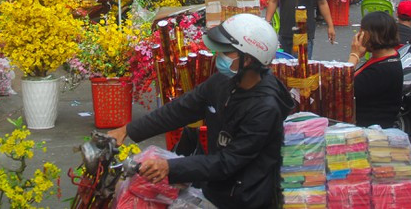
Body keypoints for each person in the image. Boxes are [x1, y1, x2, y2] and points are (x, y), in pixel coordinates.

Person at [107, 14, 294, 208]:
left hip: (245, 199)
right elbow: (180, 109)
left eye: (225, 51)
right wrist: (128, 130)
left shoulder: (265, 109)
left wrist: (170, 167)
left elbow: (227, 162)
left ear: (247, 60)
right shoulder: (223, 81)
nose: (218, 55)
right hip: (215, 188)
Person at [347, 11, 403, 128]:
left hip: (369, 131)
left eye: (362, 32)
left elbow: (343, 88)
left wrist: (354, 55)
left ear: (371, 35)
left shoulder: (383, 70)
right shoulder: (386, 58)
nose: (358, 36)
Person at [267, 0, 336, 59]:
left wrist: (330, 26)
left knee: (302, 68)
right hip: (285, 33)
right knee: (284, 69)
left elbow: (322, 3)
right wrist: (267, 23)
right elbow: (273, 0)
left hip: (305, 34)